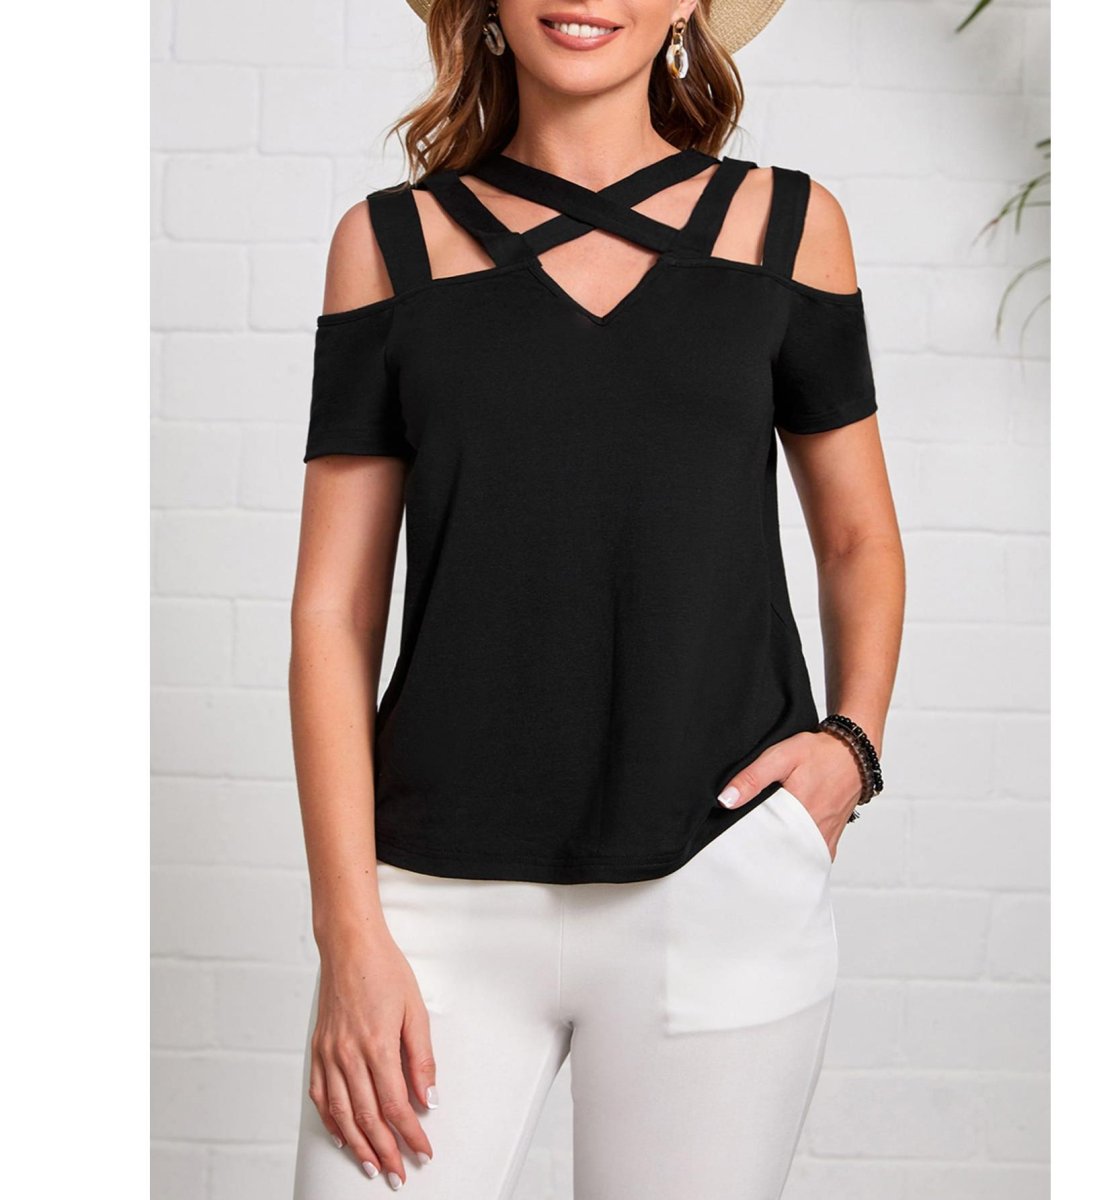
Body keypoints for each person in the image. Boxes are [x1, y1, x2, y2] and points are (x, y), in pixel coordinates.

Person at [289, 0, 904, 1195]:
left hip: (718, 881)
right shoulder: (388, 244)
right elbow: (333, 614)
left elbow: (858, 537)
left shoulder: (789, 228)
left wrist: (851, 747)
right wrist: (349, 931)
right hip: (431, 901)